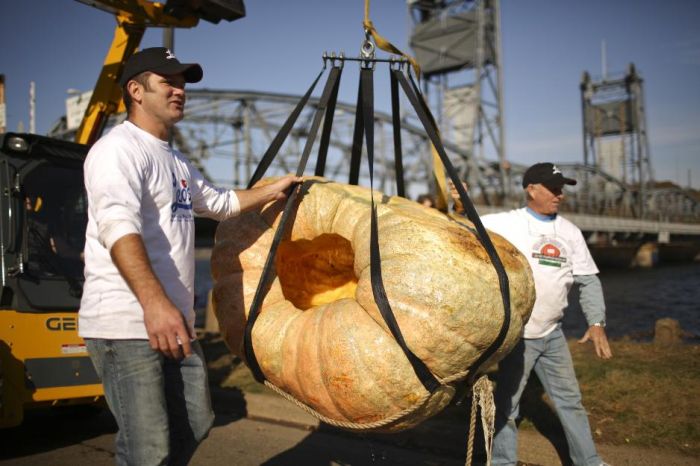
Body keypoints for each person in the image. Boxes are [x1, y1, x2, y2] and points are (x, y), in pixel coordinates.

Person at [78, 47, 300, 466]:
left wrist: (274, 190)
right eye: (168, 81)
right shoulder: (117, 151)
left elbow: (218, 202)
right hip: (128, 321)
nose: (179, 90)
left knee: (196, 422)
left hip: (170, 322)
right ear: (136, 90)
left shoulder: (176, 161)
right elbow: (117, 228)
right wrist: (156, 304)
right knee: (147, 448)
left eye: (182, 83)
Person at [451, 162, 612, 466]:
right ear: (531, 189)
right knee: (507, 407)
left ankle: (589, 461)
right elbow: (464, 227)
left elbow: (588, 279)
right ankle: (502, 462)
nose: (560, 195)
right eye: (553, 188)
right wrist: (460, 203)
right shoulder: (507, 223)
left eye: (561, 189)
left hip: (553, 334)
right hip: (519, 335)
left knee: (571, 403)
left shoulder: (570, 232)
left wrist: (596, 322)